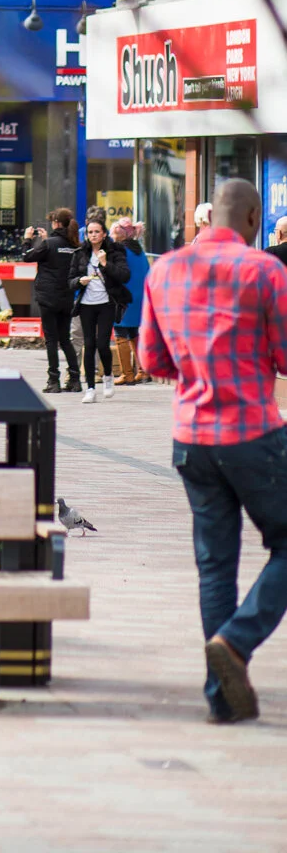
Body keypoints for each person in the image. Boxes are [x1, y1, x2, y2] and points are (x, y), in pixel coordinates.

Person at [140, 176, 287, 725]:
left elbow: (153, 360)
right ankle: (237, 641)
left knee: (215, 567)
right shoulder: (265, 270)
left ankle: (222, 698)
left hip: (191, 440)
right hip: (252, 432)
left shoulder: (165, 270)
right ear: (253, 219)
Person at [69, 215, 130, 403]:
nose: (93, 235)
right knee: (89, 344)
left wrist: (105, 264)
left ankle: (108, 376)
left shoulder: (115, 252)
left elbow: (124, 276)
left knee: (103, 344)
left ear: (104, 234)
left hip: (106, 303)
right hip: (87, 304)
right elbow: (69, 281)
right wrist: (79, 281)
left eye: (97, 232)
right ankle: (90, 388)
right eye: (90, 232)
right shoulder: (80, 254)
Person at [22, 207, 81, 393]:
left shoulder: (49, 244)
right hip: (67, 298)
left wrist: (27, 239)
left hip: (48, 298)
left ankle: (53, 381)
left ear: (56, 223)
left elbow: (27, 256)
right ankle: (75, 379)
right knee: (65, 339)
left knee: (51, 340)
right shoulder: (74, 246)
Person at [110, 217, 151, 384]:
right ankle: (143, 370)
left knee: (120, 332)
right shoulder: (139, 251)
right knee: (135, 333)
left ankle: (126, 374)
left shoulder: (119, 251)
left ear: (119, 234)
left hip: (124, 295)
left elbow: (116, 272)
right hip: (140, 296)